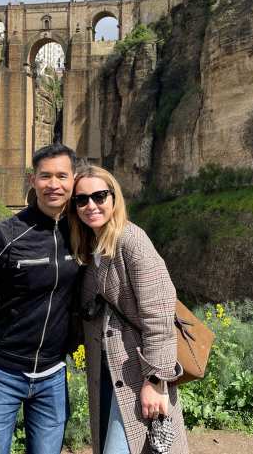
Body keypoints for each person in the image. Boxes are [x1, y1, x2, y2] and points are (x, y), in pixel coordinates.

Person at [0, 144, 83, 454]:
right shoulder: (6, 235)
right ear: (33, 180)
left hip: (53, 376)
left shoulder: (82, 233)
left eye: (62, 176)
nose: (53, 184)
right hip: (2, 374)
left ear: (74, 180)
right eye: (45, 176)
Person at [70, 165, 188, 454]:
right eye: (82, 199)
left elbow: (159, 314)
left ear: (114, 197)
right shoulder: (91, 245)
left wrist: (156, 381)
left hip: (138, 372)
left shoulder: (132, 241)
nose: (91, 205)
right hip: (108, 370)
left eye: (99, 196)